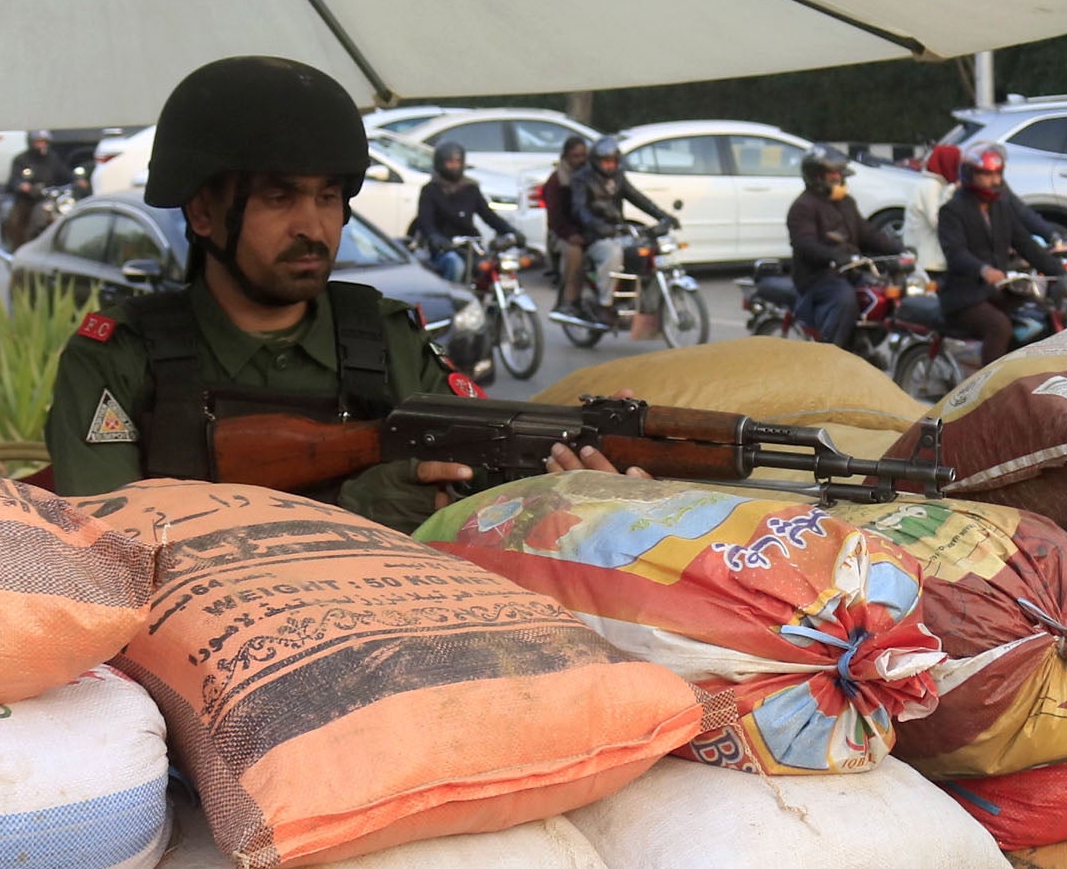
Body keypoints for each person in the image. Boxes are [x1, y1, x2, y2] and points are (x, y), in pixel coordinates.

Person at [44, 57, 618, 527]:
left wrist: (588, 492)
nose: (312, 227)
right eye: (279, 198)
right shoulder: (118, 358)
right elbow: (111, 554)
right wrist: (351, 511)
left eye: (327, 197)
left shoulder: (387, 339)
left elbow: (494, 491)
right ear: (202, 212)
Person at [934, 141, 1060, 367]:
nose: (994, 181)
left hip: (998, 290)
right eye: (986, 175)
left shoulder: (1001, 207)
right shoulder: (952, 210)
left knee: (1039, 314)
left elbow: (1025, 244)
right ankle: (987, 390)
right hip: (964, 296)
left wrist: (1063, 272)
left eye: (997, 174)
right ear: (970, 174)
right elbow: (955, 252)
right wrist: (983, 270)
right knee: (999, 326)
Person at [786, 144, 904, 345]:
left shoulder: (846, 202)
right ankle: (831, 353)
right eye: (832, 173)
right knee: (845, 298)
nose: (838, 177)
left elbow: (868, 233)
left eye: (839, 173)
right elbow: (804, 243)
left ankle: (864, 344)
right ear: (816, 175)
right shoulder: (803, 207)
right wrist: (833, 255)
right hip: (818, 277)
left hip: (850, 272)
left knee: (883, 294)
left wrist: (899, 248)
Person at [569, 135, 675, 321]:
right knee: (613, 253)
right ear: (596, 161)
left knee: (646, 250)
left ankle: (640, 299)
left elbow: (638, 198)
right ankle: (605, 304)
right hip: (594, 236)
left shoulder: (618, 178)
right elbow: (580, 210)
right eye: (606, 162)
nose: (610, 166)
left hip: (618, 230)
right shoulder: (581, 179)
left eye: (613, 161)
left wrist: (664, 216)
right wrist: (598, 226)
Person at [411, 141, 518, 284]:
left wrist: (510, 231)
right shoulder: (431, 190)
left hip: (470, 246)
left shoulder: (470, 188)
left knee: (497, 266)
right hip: (444, 248)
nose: (454, 166)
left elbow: (489, 216)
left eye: (458, 162)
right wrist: (435, 237)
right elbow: (425, 222)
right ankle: (453, 300)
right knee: (456, 265)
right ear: (440, 163)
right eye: (450, 162)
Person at [542, 136, 593, 312]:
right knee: (575, 254)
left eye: (583, 156)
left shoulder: (592, 175)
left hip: (589, 229)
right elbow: (555, 218)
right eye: (576, 156)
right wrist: (570, 234)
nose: (580, 160)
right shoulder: (557, 181)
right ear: (566, 156)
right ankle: (569, 300)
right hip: (562, 234)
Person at [0, 131, 75, 249]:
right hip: (27, 199)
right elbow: (14, 180)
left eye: (44, 142)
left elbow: (65, 174)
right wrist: (23, 186)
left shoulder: (52, 158)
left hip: (48, 197)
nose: (42, 145)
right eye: (39, 142)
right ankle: (17, 248)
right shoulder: (21, 159)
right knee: (16, 220)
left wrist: (78, 180)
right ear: (31, 143)